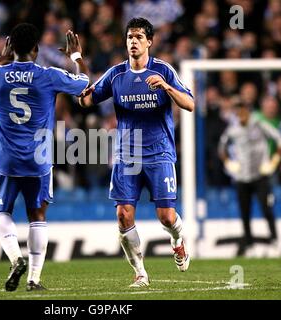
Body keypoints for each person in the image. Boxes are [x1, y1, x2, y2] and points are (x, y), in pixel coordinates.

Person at [79, 17, 194, 287]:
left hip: (160, 153)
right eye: (130, 37)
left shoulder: (164, 70)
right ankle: (140, 273)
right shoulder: (116, 74)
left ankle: (177, 240)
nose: (133, 41)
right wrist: (78, 63)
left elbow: (189, 103)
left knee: (166, 217)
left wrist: (166, 87)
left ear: (149, 42)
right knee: (123, 214)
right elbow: (85, 100)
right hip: (126, 157)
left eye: (139, 37)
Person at [0, 23, 89, 291]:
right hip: (39, 159)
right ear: (36, 49)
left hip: (6, 159)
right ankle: (34, 279)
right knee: (37, 215)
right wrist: (75, 57)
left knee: (0, 210)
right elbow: (84, 84)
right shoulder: (48, 75)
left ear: (10, 47)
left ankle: (16, 259)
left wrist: (3, 57)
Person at [218, 103, 281, 252]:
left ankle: (275, 239)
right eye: (238, 114)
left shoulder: (259, 124)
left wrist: (274, 161)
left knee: (266, 208)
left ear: (248, 113)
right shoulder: (232, 130)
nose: (241, 117)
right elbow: (221, 147)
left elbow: (280, 139)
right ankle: (249, 244)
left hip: (260, 175)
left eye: (244, 113)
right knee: (244, 211)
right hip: (242, 177)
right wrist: (228, 162)